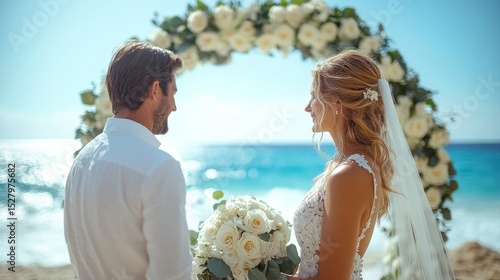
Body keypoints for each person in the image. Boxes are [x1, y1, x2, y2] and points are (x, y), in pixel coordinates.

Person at [290, 50, 455, 279]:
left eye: (314, 96)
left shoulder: (349, 175)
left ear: (337, 102)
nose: (308, 107)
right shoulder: (347, 167)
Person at [64, 41, 192, 280]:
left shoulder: (81, 161)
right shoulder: (159, 168)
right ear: (155, 90)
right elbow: (173, 275)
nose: (174, 106)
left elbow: (78, 254)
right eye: (172, 93)